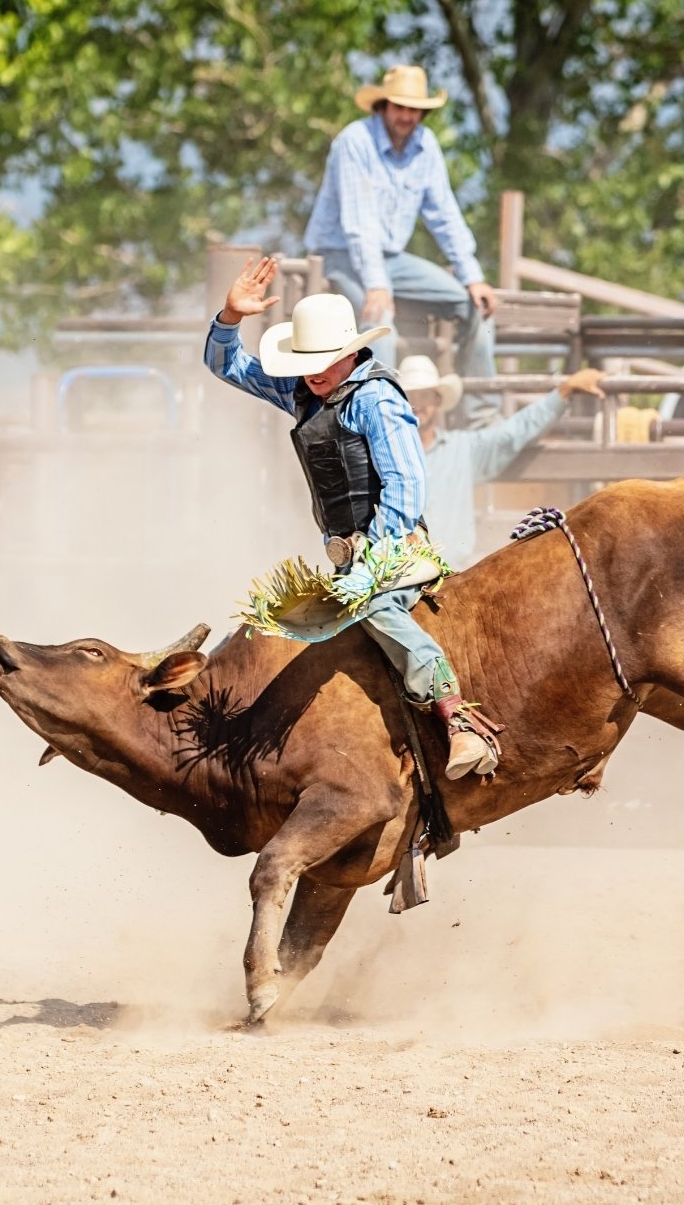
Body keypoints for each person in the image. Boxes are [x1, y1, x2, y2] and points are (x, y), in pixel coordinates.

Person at [207, 257, 500, 779]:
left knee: (376, 609)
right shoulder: (303, 388)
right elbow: (229, 367)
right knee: (286, 625)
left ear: (350, 352)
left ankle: (460, 719)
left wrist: (372, 564)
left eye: (324, 358)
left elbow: (407, 486)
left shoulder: (377, 400)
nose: (314, 369)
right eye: (306, 358)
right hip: (350, 559)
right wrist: (230, 318)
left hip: (397, 549)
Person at [303, 64, 498, 421]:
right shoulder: (354, 142)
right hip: (341, 253)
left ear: (423, 112)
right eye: (399, 107)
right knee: (381, 324)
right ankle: (378, 421)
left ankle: (480, 418)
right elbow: (358, 224)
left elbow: (445, 214)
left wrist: (473, 276)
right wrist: (377, 285)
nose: (407, 115)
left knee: (473, 306)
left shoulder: (426, 146)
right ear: (384, 107)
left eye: (414, 109)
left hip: (391, 258)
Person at [399, 354, 605, 569]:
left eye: (425, 396)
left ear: (437, 400)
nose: (418, 404)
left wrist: (563, 392)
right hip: (403, 573)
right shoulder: (387, 451)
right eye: (411, 396)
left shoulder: (460, 448)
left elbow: (511, 434)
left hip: (451, 574)